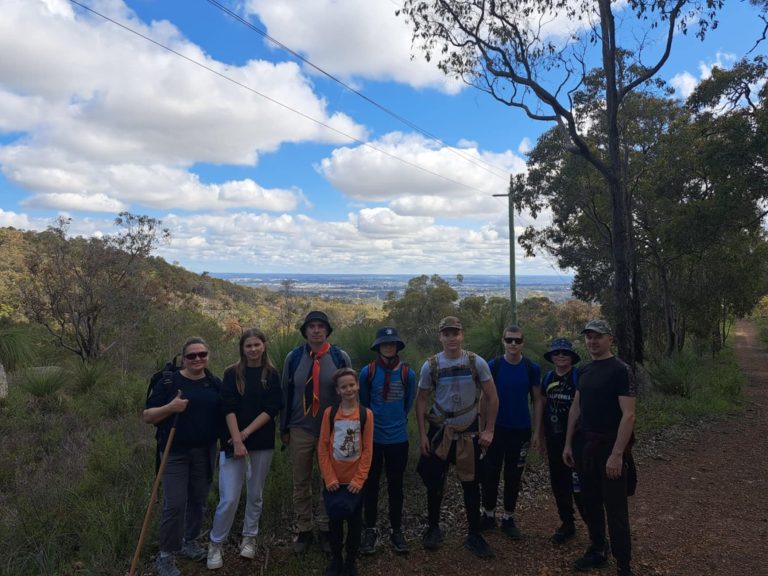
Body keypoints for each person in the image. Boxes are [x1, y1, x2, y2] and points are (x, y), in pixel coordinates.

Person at [415, 316, 499, 558]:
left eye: (455, 333)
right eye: (447, 334)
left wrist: (489, 429)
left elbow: (492, 396)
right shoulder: (430, 365)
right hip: (441, 431)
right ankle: (433, 528)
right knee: (434, 481)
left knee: (471, 483)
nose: (451, 338)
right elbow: (421, 400)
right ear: (440, 337)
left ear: (462, 335)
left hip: (469, 429)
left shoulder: (476, 362)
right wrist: (422, 434)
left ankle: (474, 533)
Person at [563, 320, 637, 576]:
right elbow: (576, 408)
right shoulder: (583, 369)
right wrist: (568, 443)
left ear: (610, 339)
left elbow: (628, 415)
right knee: (590, 501)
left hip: (610, 446)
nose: (593, 341)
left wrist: (617, 454)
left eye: (598, 337)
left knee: (615, 508)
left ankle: (623, 563)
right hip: (585, 445)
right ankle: (597, 549)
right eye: (589, 337)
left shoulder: (621, 370)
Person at [143, 337, 221, 576]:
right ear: (183, 358)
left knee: (198, 500)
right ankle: (166, 555)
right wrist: (170, 407)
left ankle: (189, 541)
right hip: (174, 451)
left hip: (205, 450)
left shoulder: (214, 383)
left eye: (202, 354)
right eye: (192, 356)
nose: (198, 359)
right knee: (175, 504)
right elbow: (148, 416)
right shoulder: (168, 382)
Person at [206, 328, 282, 570]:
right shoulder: (231, 373)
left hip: (261, 442)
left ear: (264, 346)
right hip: (231, 443)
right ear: (242, 348)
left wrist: (247, 434)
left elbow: (272, 409)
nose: (253, 349)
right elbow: (227, 406)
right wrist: (237, 439)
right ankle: (215, 543)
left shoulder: (271, 374)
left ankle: (249, 537)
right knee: (228, 498)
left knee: (255, 494)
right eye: (248, 346)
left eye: (257, 345)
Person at [280, 311, 352, 553]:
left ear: (327, 331)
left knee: (329, 481)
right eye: (311, 326)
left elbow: (349, 393)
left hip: (331, 429)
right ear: (305, 331)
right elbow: (286, 393)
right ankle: (304, 530)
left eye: (321, 326)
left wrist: (349, 426)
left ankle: (325, 529)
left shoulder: (339, 357)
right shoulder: (294, 357)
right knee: (300, 481)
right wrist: (284, 428)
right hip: (300, 428)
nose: (316, 330)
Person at [480, 325, 542, 540]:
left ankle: (508, 517)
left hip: (521, 429)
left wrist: (536, 431)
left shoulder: (531, 368)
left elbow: (537, 400)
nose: (513, 344)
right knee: (490, 473)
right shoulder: (493, 366)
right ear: (503, 342)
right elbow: (484, 399)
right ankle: (488, 514)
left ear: (523, 342)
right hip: (496, 429)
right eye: (509, 340)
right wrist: (483, 429)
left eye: (517, 340)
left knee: (513, 475)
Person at [358, 326, 416, 555]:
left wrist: (397, 421)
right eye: (384, 344)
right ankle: (370, 529)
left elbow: (408, 403)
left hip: (398, 439)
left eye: (392, 344)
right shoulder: (367, 372)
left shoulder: (407, 374)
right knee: (370, 485)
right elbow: (363, 404)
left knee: (396, 486)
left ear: (397, 346)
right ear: (378, 346)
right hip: (373, 439)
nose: (388, 347)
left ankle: (396, 529)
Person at [318, 368, 374, 576]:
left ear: (357, 386)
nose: (348, 389)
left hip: (355, 482)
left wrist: (359, 480)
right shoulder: (330, 414)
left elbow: (368, 450)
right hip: (334, 481)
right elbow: (323, 447)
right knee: (334, 523)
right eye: (344, 386)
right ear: (338, 390)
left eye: (351, 385)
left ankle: (351, 560)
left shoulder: (365, 414)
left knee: (355, 522)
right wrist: (329, 477)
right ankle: (336, 559)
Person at [538, 337, 585, 544]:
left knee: (580, 484)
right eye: (556, 353)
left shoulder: (578, 376)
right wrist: (539, 435)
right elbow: (542, 406)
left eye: (564, 353)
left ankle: (594, 527)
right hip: (554, 438)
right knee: (558, 483)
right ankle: (567, 523)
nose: (560, 356)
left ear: (572, 356)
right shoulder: (547, 378)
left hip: (578, 440)